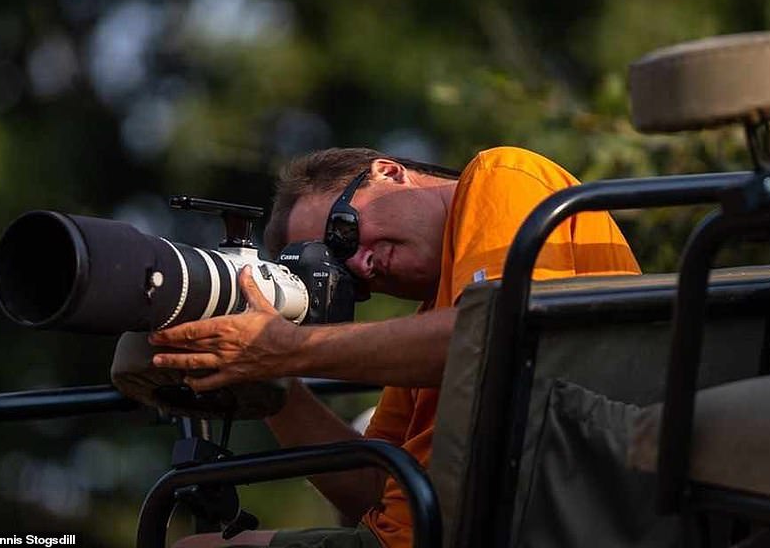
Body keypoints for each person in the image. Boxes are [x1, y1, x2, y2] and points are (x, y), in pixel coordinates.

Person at [149, 147, 640, 548]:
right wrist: (268, 380)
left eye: (342, 236)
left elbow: (494, 337)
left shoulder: (500, 174)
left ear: (386, 172)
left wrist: (290, 348)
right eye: (342, 276)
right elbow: (370, 488)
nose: (360, 266)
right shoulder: (429, 323)